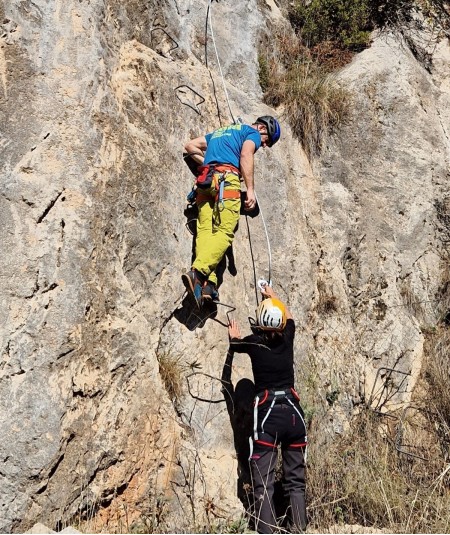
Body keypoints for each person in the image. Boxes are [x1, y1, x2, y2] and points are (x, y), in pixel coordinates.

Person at [228, 285, 307, 534]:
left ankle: (267, 530)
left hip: (268, 417)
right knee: (295, 481)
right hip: (294, 416)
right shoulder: (288, 337)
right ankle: (299, 528)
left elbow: (235, 344)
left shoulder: (254, 344)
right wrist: (273, 297)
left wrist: (233, 336)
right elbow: (290, 318)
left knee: (264, 482)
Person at [182, 116, 281, 307]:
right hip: (226, 181)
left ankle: (207, 285)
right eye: (267, 140)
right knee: (225, 232)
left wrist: (210, 162)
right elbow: (246, 155)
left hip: (205, 181)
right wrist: (250, 188)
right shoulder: (250, 132)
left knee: (205, 231)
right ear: (262, 128)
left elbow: (190, 146)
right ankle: (198, 273)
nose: (265, 146)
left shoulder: (220, 132)